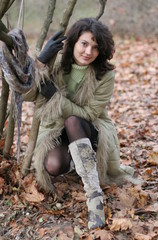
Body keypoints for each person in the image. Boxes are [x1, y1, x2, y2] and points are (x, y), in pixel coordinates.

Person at [24, 18, 134, 229]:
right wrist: (39, 63)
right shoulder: (56, 63)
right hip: (56, 128)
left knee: (74, 120)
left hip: (88, 127)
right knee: (54, 165)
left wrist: (57, 98)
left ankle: (95, 199)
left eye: (95, 47)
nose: (88, 51)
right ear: (73, 42)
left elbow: (88, 113)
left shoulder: (104, 75)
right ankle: (78, 161)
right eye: (84, 43)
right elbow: (28, 96)